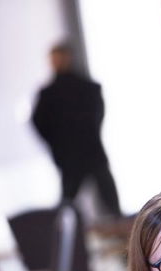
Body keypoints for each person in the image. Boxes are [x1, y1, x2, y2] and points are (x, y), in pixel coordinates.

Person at [31, 42, 121, 218]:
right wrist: (56, 144)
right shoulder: (49, 94)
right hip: (70, 155)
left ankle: (126, 232)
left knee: (108, 196)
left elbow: (97, 116)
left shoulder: (87, 88)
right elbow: (39, 122)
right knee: (67, 202)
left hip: (88, 150)